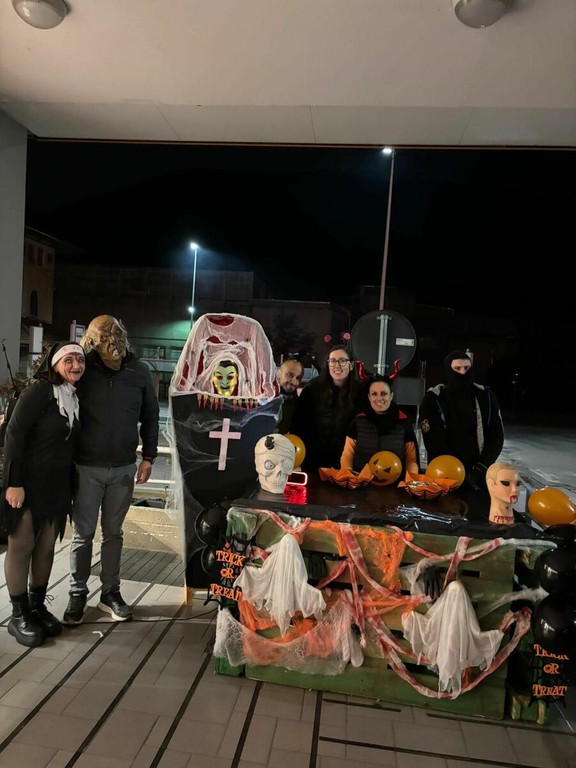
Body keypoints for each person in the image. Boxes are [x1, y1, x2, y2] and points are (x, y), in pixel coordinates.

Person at [63, 315, 159, 625]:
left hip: (123, 467)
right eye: (104, 336)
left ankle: (110, 593)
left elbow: (151, 415)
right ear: (92, 340)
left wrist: (149, 457)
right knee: (83, 534)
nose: (112, 340)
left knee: (114, 534)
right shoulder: (83, 370)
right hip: (86, 465)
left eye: (116, 334)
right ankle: (77, 593)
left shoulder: (138, 371)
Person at [1, 342, 86, 647]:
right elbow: (14, 433)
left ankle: (36, 607)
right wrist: (14, 482)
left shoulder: (73, 397)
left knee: (46, 547)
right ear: (54, 363)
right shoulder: (39, 391)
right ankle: (18, 614)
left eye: (80, 360)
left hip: (57, 485)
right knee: (22, 544)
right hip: (28, 483)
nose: (75, 365)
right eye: (69, 359)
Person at [419, 350, 504, 489]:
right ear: (448, 370)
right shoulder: (433, 399)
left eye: (466, 368)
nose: (463, 373)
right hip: (443, 473)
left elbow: (496, 436)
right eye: (457, 369)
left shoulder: (486, 397)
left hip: (479, 475)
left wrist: (481, 467)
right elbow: (432, 439)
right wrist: (451, 469)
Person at [291, 344, 363, 473]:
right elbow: (298, 425)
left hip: (347, 463)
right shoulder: (312, 388)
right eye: (333, 361)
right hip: (314, 461)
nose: (337, 365)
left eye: (342, 361)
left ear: (351, 365)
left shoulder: (360, 392)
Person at [341, 374, 419, 479]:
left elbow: (411, 460)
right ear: (369, 397)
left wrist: (410, 482)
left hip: (395, 484)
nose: (379, 398)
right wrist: (348, 478)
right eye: (374, 394)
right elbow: (347, 455)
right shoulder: (357, 422)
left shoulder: (403, 423)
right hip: (361, 483)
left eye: (383, 394)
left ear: (391, 396)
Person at [275, 358, 304, 434]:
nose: (293, 382)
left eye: (298, 378)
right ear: (278, 373)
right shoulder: (262, 398)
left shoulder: (297, 405)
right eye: (290, 375)